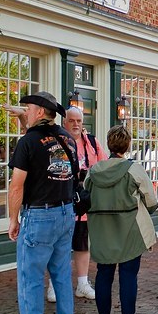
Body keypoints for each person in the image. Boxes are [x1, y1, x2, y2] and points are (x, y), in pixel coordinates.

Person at [2, 92, 77, 314]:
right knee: (62, 277)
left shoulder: (27, 143)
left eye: (29, 108)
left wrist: (13, 219)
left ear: (41, 112)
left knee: (30, 278)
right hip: (66, 213)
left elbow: (16, 186)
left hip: (39, 216)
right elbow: (42, 141)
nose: (27, 111)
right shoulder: (67, 138)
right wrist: (22, 116)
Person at [85, 125, 158, 314]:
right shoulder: (134, 169)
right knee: (128, 275)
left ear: (109, 144)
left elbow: (87, 194)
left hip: (102, 229)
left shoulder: (94, 171)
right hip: (130, 228)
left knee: (103, 273)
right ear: (127, 145)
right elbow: (151, 201)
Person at [61, 106, 109, 302]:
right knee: (61, 246)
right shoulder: (59, 142)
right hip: (63, 201)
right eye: (72, 121)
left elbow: (103, 166)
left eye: (79, 121)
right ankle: (57, 285)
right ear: (64, 123)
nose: (76, 124)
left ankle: (82, 283)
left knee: (82, 245)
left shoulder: (91, 142)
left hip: (84, 202)